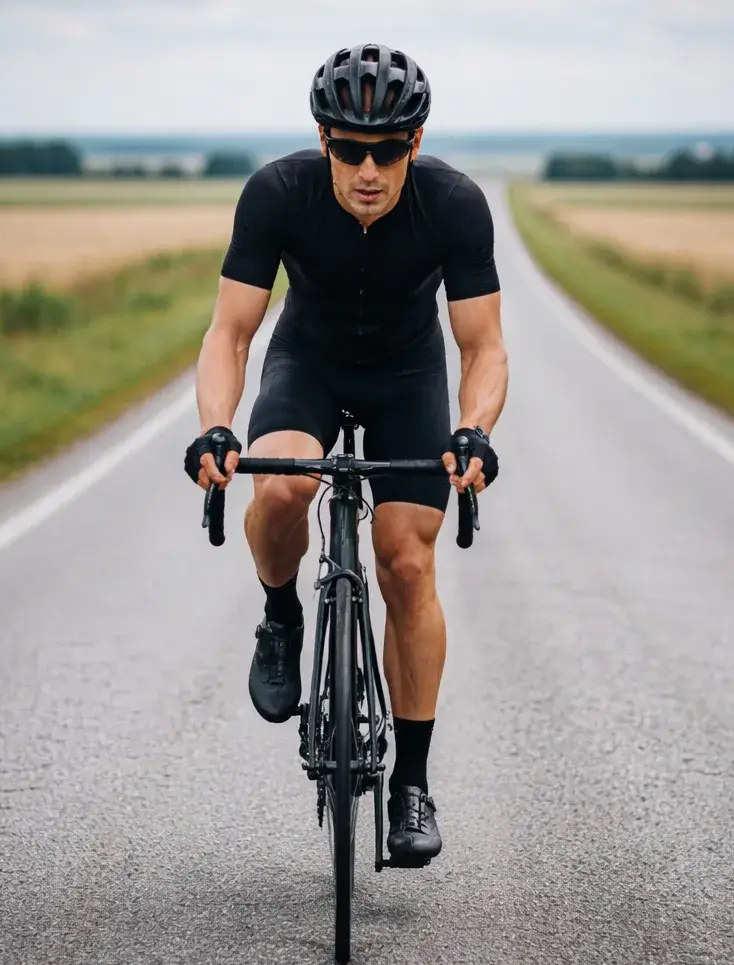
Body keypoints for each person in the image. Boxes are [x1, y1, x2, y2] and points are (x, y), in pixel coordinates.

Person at [185, 43, 508, 867]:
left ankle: (412, 785)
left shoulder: (455, 205)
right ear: (322, 139)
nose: (370, 170)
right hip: (311, 366)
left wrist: (474, 429)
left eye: (389, 150)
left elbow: (483, 347)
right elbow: (230, 332)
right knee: (281, 488)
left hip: (406, 377)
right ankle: (282, 616)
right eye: (351, 149)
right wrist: (218, 426)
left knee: (406, 561)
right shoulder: (277, 193)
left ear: (416, 143)